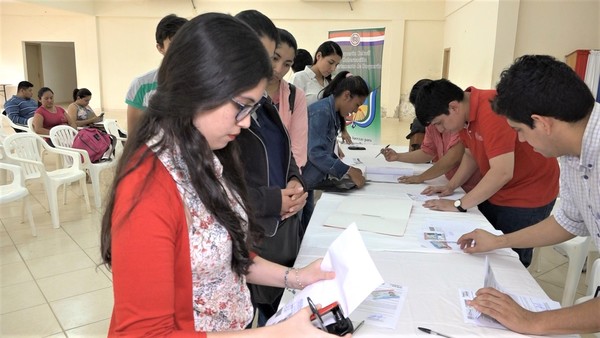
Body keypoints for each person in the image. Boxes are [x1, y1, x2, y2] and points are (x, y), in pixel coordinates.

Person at [100, 13, 342, 337]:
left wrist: (296, 278)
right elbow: (144, 334)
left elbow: (228, 254)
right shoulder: (147, 187)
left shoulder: (205, 154)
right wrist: (275, 334)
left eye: (253, 109)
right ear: (199, 89)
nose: (245, 123)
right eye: (241, 106)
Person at [456, 55, 600, 336]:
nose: (521, 141)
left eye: (519, 131)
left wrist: (533, 321)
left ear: (542, 123)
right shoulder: (572, 153)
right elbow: (567, 222)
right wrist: (500, 241)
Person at [414, 78, 559, 267]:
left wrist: (458, 204)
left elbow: (502, 172)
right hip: (499, 190)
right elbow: (470, 154)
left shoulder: (492, 109)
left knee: (509, 262)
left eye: (440, 123)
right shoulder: (465, 117)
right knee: (484, 250)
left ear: (454, 107)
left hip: (528, 193)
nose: (441, 129)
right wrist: (450, 186)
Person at [234, 10, 308, 327]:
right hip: (256, 230)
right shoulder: (201, 143)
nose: (272, 70)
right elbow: (228, 193)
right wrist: (274, 200)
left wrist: (294, 179)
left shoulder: (262, 103)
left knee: (268, 311)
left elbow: (287, 150)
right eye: (266, 59)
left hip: (272, 240)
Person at [382, 79, 481, 191]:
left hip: (474, 188)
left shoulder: (458, 121)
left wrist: (421, 177)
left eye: (438, 122)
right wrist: (398, 157)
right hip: (456, 186)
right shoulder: (435, 122)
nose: (439, 128)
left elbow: (454, 158)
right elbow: (428, 152)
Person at [303, 70, 368, 191]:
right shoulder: (321, 112)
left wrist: (347, 169)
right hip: (303, 182)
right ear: (346, 95)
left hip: (314, 181)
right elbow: (316, 153)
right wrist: (347, 170)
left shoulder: (334, 113)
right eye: (357, 105)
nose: (355, 111)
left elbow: (326, 151)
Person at [125, 14, 188, 136]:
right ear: (160, 48)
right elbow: (133, 135)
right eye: (174, 44)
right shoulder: (141, 85)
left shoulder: (203, 81)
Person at [290, 41, 352, 144]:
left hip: (325, 139)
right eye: (330, 62)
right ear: (319, 56)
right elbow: (290, 111)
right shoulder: (299, 78)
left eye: (336, 65)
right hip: (303, 138)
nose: (333, 68)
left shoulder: (329, 84)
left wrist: (337, 143)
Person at [266, 28, 308, 169]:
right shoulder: (242, 91)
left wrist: (293, 179)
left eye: (287, 64)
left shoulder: (296, 96)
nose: (278, 69)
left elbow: (298, 150)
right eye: (275, 58)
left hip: (283, 178)